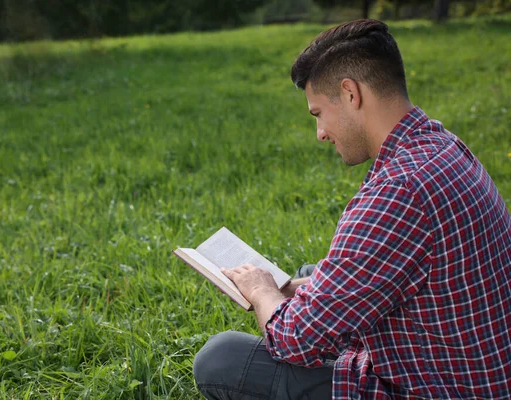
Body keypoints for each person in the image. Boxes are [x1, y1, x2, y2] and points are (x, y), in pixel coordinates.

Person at [193, 19, 511, 400]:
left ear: (349, 94)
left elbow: (294, 339)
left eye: (318, 114)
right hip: (476, 363)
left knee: (221, 358)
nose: (321, 133)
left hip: (439, 386)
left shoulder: (397, 191)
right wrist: (293, 290)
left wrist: (262, 292)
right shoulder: (440, 144)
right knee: (310, 276)